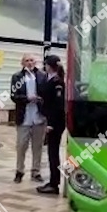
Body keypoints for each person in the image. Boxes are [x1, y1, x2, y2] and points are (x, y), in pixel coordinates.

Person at [10, 54, 47, 184]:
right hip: (24, 116)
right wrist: (27, 99)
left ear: (35, 62)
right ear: (22, 63)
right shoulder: (17, 77)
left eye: (32, 60)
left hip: (38, 116)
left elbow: (47, 94)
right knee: (21, 145)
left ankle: (36, 171)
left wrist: (41, 99)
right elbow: (14, 96)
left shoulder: (42, 76)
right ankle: (19, 171)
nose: (30, 63)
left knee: (37, 146)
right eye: (27, 60)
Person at [37, 54, 66, 195]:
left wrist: (51, 124)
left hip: (55, 123)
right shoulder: (49, 78)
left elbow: (58, 106)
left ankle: (55, 183)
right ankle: (53, 181)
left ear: (49, 65)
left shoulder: (57, 82)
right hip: (49, 120)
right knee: (51, 152)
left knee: (53, 153)